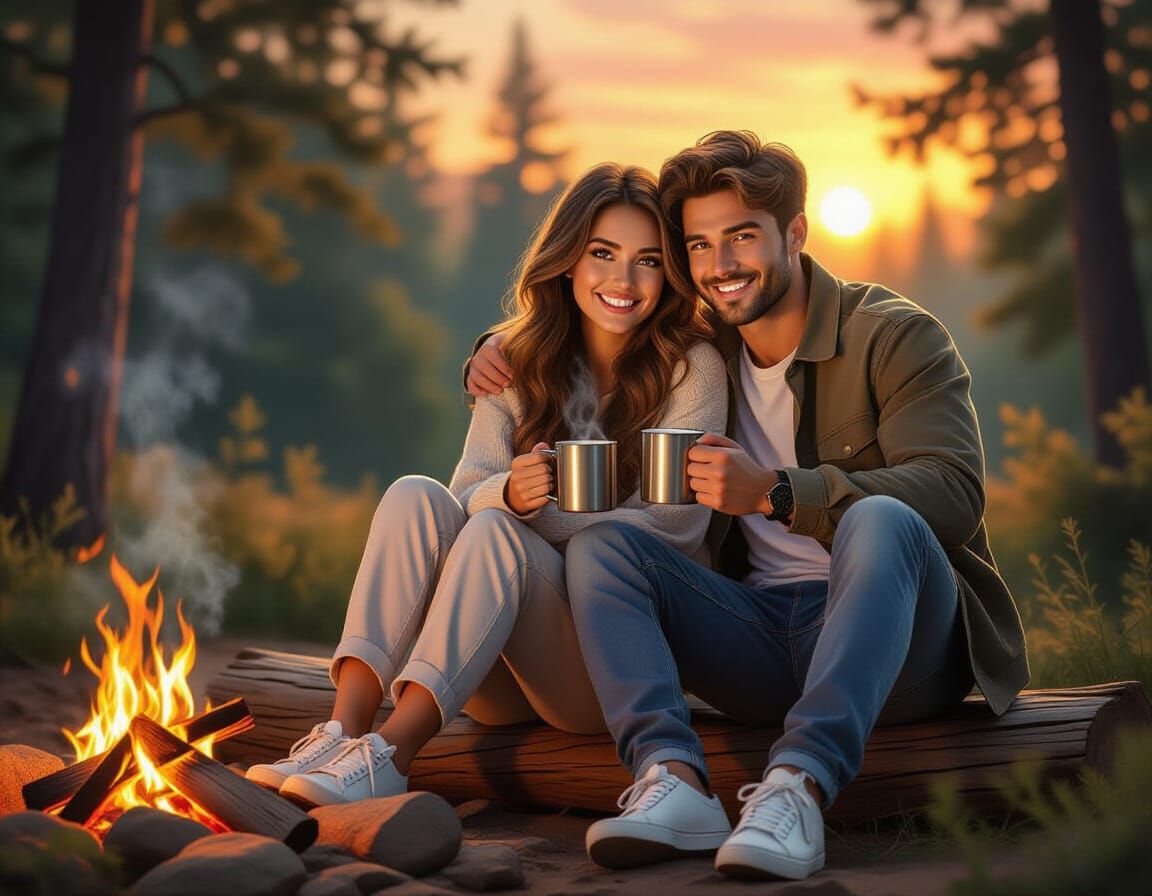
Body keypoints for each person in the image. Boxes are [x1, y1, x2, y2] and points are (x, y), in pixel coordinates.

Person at [465, 131, 1028, 881]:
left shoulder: (894, 336)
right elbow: (597, 329)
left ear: (794, 232)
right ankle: (673, 781)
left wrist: (776, 492)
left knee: (880, 516)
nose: (719, 266)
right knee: (607, 545)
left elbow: (955, 494)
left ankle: (797, 786)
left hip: (899, 645)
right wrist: (495, 350)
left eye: (741, 238)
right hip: (755, 636)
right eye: (697, 245)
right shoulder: (704, 352)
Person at [244, 163, 728, 807]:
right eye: (602, 254)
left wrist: (523, 513)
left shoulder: (690, 367)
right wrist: (507, 494)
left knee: (498, 529)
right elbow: (468, 488)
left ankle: (393, 755)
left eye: (647, 260)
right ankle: (343, 729)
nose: (623, 280)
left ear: (669, 274)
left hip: (597, 671)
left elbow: (677, 527)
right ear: (566, 261)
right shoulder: (514, 358)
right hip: (484, 666)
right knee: (415, 493)